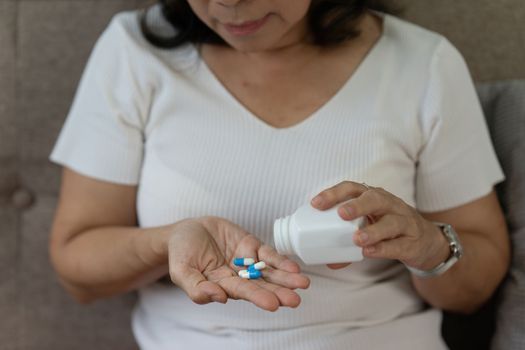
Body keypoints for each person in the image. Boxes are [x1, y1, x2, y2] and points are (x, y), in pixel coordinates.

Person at [48, 0, 510, 349]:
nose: (227, 4)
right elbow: (78, 272)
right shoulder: (134, 50)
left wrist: (428, 247)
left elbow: (473, 290)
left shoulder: (422, 64)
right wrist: (167, 242)